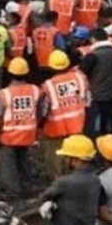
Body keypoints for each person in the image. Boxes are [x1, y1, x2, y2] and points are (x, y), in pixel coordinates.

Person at [39, 135, 101, 225]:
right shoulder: (95, 179)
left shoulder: (65, 182)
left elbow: (45, 196)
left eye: (67, 157)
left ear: (77, 160)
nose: (64, 160)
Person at [0, 58, 41, 196]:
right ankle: (27, 185)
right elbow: (38, 111)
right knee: (23, 159)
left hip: (9, 135)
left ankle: (12, 190)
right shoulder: (35, 90)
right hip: (28, 133)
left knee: (8, 163)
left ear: (9, 73)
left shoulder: (5, 93)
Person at [40, 50, 91, 180]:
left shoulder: (49, 85)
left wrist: (40, 124)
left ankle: (58, 180)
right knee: (77, 152)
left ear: (51, 66)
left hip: (56, 127)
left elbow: (44, 110)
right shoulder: (80, 77)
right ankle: (77, 176)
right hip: (78, 123)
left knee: (55, 155)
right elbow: (88, 100)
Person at [81, 28, 112, 137]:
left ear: (93, 39)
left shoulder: (92, 56)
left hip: (96, 96)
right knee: (109, 123)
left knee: (94, 125)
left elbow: (81, 73)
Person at [31, 12, 67, 82]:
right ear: (55, 20)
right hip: (51, 64)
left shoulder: (35, 31)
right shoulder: (55, 31)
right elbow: (62, 48)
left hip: (37, 63)